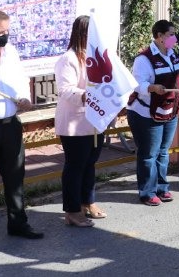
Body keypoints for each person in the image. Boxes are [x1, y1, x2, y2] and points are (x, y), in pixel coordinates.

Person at [0, 9, 43, 239]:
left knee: (14, 176)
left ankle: (18, 224)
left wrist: (25, 98)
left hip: (11, 123)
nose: (5, 36)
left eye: (7, 31)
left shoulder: (10, 51)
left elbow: (21, 78)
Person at [54, 15, 105, 227]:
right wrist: (88, 95)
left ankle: (88, 201)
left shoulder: (98, 56)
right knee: (75, 166)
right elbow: (65, 90)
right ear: (82, 34)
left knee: (90, 163)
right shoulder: (69, 59)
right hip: (75, 123)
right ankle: (72, 211)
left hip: (95, 120)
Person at [128, 20, 179, 206]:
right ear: (159, 37)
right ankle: (147, 191)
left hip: (169, 111)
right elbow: (137, 84)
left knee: (163, 152)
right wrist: (152, 87)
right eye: (170, 35)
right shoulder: (144, 59)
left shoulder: (172, 55)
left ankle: (161, 187)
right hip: (146, 114)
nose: (174, 38)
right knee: (149, 154)